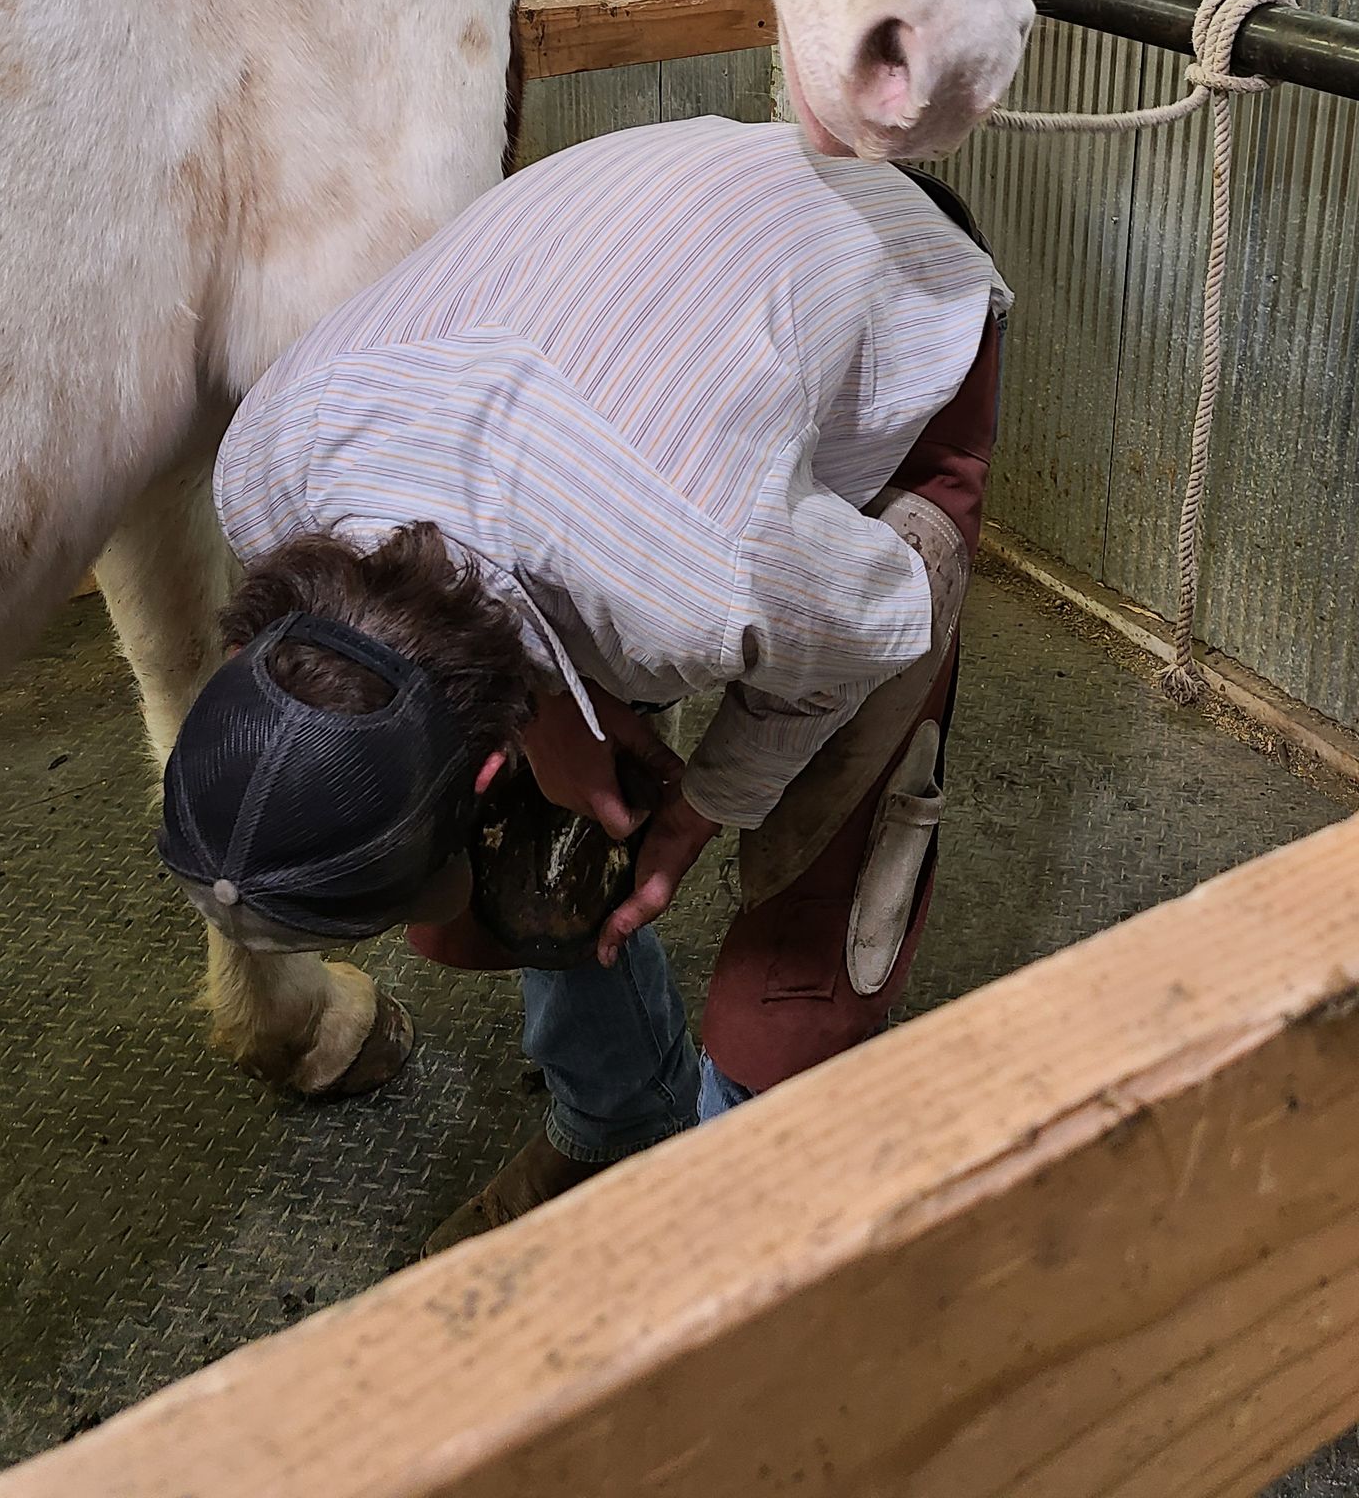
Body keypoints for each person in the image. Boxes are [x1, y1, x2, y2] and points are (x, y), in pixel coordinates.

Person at [157, 115, 1007, 1247]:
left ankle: (720, 1224)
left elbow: (873, 625)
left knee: (808, 889)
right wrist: (557, 717)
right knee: (534, 871)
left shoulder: (705, 571)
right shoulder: (265, 472)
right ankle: (617, 1114)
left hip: (891, 282)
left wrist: (706, 811)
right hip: (636, 291)